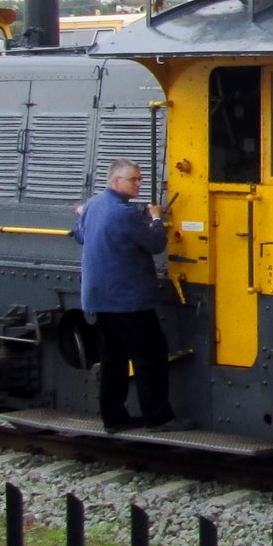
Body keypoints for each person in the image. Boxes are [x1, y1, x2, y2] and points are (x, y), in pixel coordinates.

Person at [74, 159, 189, 433]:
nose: (138, 184)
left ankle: (113, 419)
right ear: (116, 182)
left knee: (113, 359)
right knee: (150, 355)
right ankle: (158, 418)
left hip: (98, 298)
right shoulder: (123, 213)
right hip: (127, 300)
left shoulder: (92, 205)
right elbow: (155, 244)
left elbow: (80, 236)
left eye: (139, 179)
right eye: (133, 180)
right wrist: (157, 219)